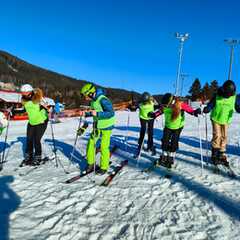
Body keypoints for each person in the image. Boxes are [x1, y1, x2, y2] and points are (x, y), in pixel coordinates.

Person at [150, 93, 201, 168]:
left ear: (173, 101)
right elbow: (160, 111)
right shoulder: (165, 105)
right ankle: (164, 156)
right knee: (165, 141)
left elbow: (190, 110)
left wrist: (195, 112)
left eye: (167, 105)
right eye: (165, 105)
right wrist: (154, 115)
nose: (166, 106)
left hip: (178, 127)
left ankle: (171, 157)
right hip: (168, 126)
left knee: (174, 141)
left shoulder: (180, 104)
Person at [79, 83, 116, 175]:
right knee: (91, 144)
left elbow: (111, 113)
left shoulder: (103, 99)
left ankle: (104, 167)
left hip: (106, 126)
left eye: (85, 95)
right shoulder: (93, 101)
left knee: (104, 146)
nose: (85, 98)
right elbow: (94, 112)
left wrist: (98, 114)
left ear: (90, 93)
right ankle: (90, 163)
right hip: (97, 125)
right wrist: (86, 114)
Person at [203, 80, 240, 166]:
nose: (228, 96)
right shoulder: (217, 95)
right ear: (224, 91)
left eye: (230, 94)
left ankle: (221, 153)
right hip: (216, 118)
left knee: (224, 136)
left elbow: (237, 107)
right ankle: (215, 154)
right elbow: (211, 104)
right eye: (227, 94)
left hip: (226, 120)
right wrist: (207, 108)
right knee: (217, 135)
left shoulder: (234, 97)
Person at [16, 84, 49, 166]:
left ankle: (38, 157)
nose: (23, 94)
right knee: (29, 140)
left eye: (24, 92)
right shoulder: (24, 100)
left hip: (41, 121)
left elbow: (48, 107)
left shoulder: (39, 98)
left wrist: (47, 108)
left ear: (29, 92)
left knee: (36, 140)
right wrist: (13, 111)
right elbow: (24, 110)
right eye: (22, 93)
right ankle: (29, 157)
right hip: (32, 122)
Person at [135, 92, 158, 157]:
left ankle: (149, 145)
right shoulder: (142, 103)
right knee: (145, 131)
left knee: (149, 132)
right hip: (144, 118)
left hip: (149, 118)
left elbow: (157, 106)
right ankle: (142, 145)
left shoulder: (151, 101)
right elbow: (135, 106)